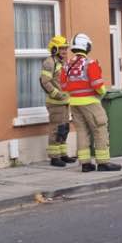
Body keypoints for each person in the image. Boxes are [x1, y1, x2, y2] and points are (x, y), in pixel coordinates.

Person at [60, 33, 122, 172]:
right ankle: (103, 162)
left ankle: (85, 164)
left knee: (82, 132)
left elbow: (63, 86)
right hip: (90, 103)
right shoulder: (90, 63)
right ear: (86, 46)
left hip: (74, 104)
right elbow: (97, 84)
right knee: (100, 130)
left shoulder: (66, 66)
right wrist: (102, 92)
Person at [41, 35, 76, 167]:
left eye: (65, 49)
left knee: (64, 129)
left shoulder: (61, 63)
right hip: (55, 103)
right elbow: (45, 82)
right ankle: (54, 158)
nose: (64, 51)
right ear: (54, 49)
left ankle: (63, 154)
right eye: (61, 49)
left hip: (65, 102)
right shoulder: (49, 62)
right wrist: (58, 94)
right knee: (56, 129)